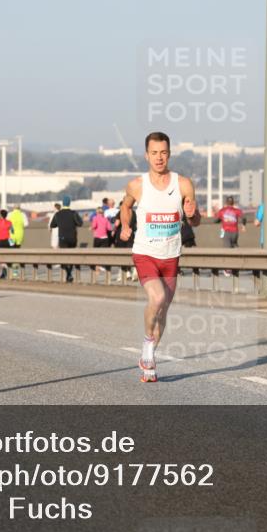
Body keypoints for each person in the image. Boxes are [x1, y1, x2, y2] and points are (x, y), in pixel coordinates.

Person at [119, 131, 199, 383]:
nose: (159, 158)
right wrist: (125, 226)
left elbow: (195, 220)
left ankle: (149, 358)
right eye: (154, 153)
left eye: (163, 152)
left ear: (169, 154)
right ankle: (146, 344)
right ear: (146, 155)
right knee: (158, 297)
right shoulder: (137, 185)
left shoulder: (183, 184)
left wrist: (192, 214)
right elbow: (125, 205)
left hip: (171, 255)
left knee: (163, 311)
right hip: (145, 253)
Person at [49, 197, 83, 282]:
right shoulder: (73, 213)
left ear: (63, 203)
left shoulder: (58, 214)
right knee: (71, 257)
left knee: (63, 257)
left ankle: (68, 274)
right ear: (69, 203)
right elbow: (80, 223)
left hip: (62, 238)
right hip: (72, 238)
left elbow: (52, 225)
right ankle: (69, 273)